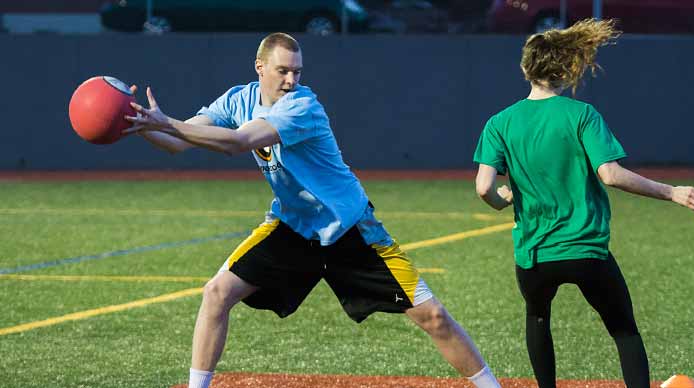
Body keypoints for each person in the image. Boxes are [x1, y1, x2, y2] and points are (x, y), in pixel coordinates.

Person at [124, 32, 502, 388]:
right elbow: (177, 142)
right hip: (292, 227)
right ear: (260, 68)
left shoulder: (303, 106)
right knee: (216, 293)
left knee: (433, 317)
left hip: (350, 229)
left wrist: (168, 123)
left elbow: (237, 142)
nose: (291, 79)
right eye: (282, 70)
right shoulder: (237, 99)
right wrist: (134, 122)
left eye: (297, 71)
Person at [472, 19, 694, 388]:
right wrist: (672, 192)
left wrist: (502, 201)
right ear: (567, 70)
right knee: (624, 331)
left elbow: (483, 187)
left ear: (525, 69)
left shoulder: (499, 122)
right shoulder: (581, 115)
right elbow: (611, 175)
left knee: (537, 319)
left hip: (534, 254)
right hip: (586, 249)